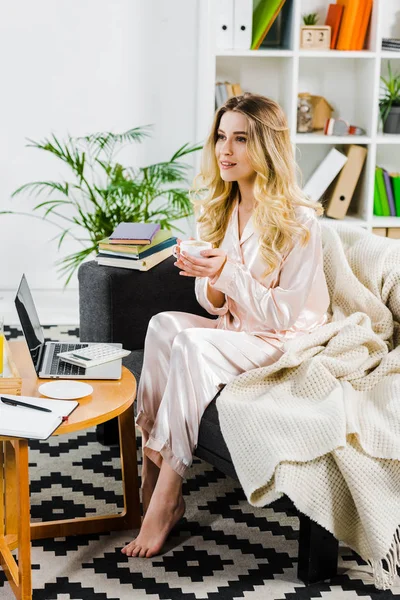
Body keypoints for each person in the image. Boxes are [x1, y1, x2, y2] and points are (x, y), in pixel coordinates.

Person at [121, 93, 330, 558]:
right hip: (241, 331)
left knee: (193, 347)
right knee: (162, 325)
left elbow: (280, 316)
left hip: (284, 342)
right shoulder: (221, 207)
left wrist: (225, 271)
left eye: (240, 138)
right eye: (220, 136)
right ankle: (151, 467)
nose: (225, 150)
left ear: (268, 147)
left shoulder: (300, 223)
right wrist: (205, 272)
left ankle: (168, 493)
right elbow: (216, 307)